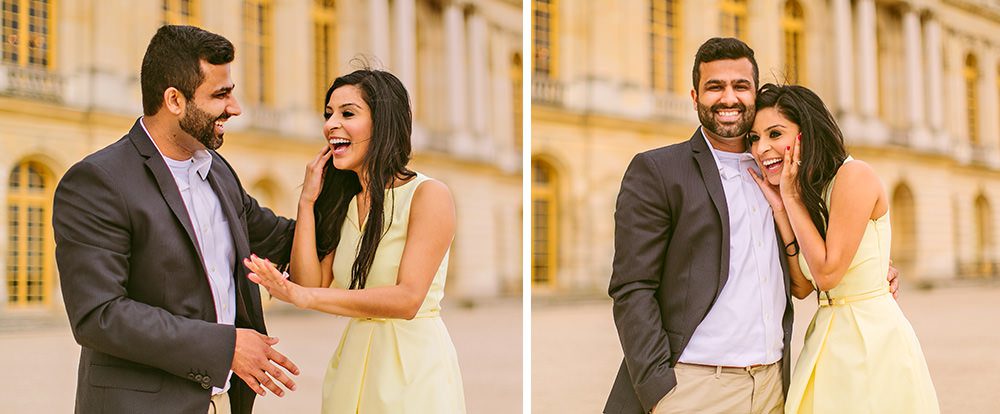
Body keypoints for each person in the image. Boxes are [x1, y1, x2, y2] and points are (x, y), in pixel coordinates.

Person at [604, 37, 898, 414]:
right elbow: (632, 286)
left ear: (754, 95)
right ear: (695, 97)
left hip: (775, 387)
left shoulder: (782, 175)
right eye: (715, 87)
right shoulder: (658, 171)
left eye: (740, 86)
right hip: (694, 388)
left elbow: (814, 269)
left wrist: (874, 267)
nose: (728, 98)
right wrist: (659, 390)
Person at [53, 25, 299, 414]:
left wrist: (339, 182)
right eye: (221, 95)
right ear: (174, 100)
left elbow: (285, 241)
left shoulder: (218, 171)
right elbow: (99, 315)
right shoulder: (98, 181)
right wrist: (226, 348)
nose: (235, 108)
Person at [243, 68, 466, 413]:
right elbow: (309, 282)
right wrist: (307, 203)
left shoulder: (428, 195)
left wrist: (305, 296)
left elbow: (408, 299)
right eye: (328, 114)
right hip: (352, 366)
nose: (331, 124)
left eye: (347, 113)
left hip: (412, 369)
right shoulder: (345, 201)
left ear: (383, 123)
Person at [746, 83, 939, 413]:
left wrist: (789, 198)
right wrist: (781, 209)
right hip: (826, 337)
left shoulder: (854, 176)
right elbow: (803, 287)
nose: (762, 148)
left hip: (872, 341)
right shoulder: (808, 194)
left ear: (805, 134)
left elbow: (827, 274)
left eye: (774, 134)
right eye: (754, 138)